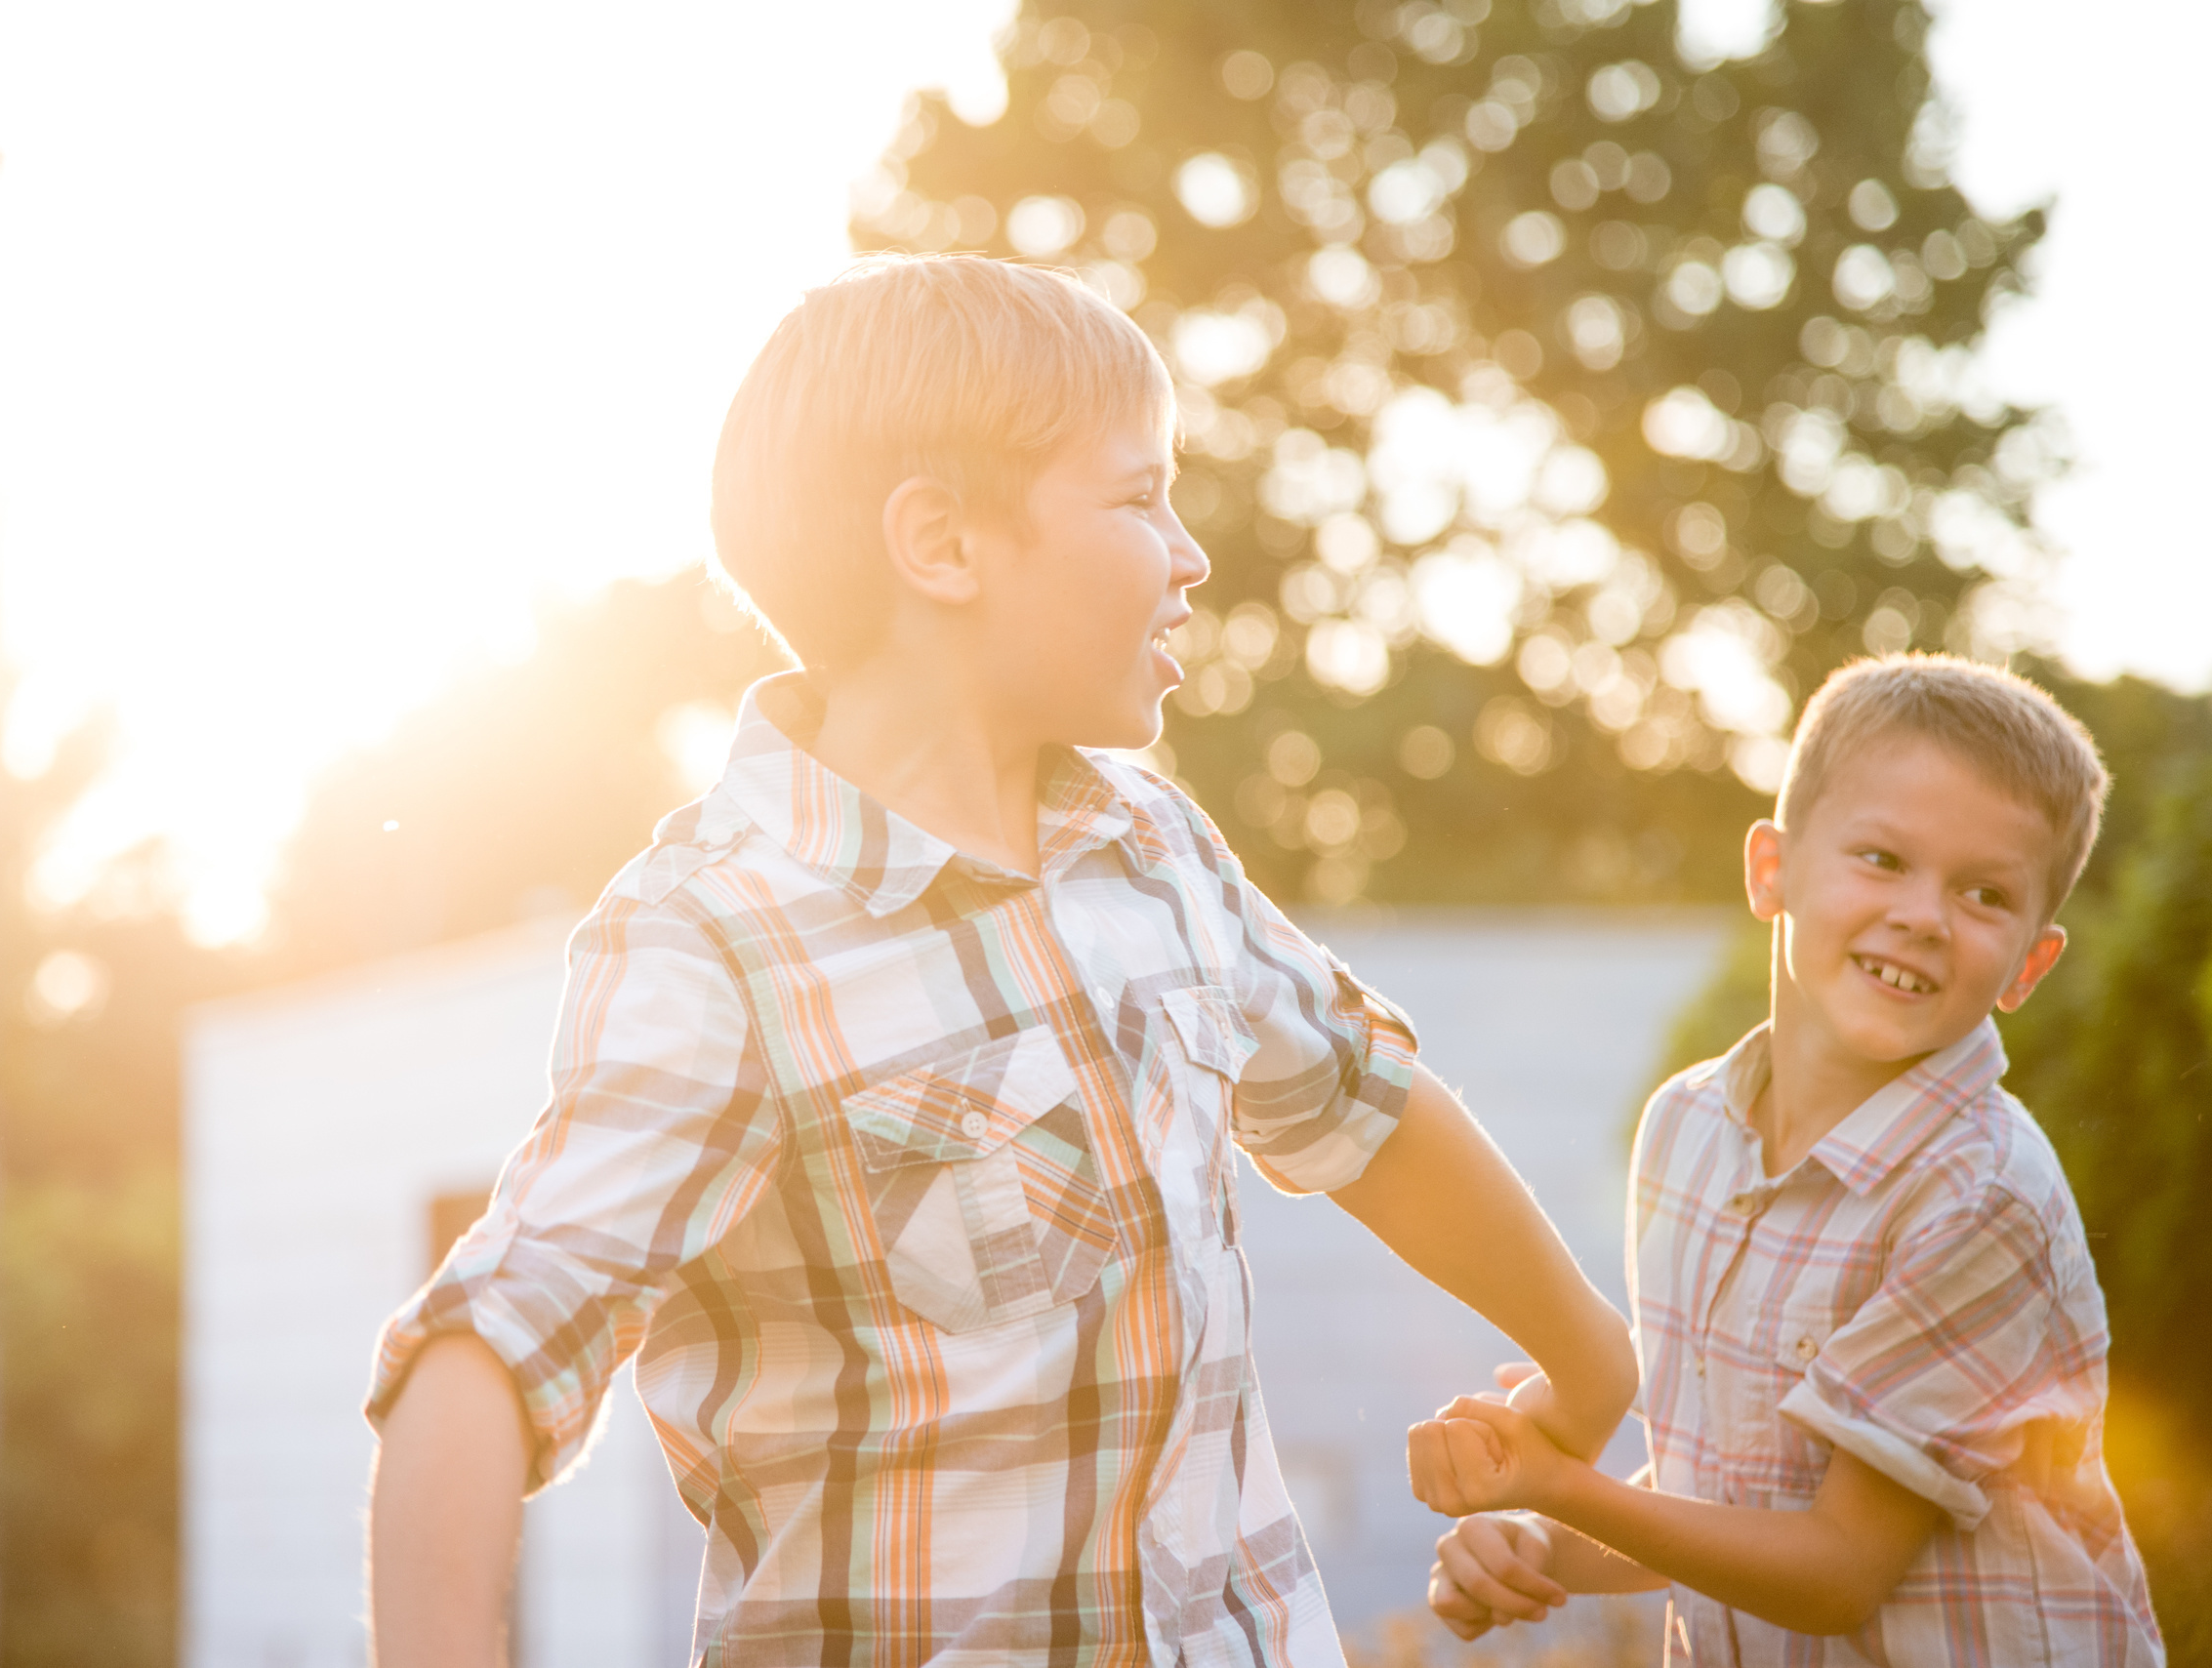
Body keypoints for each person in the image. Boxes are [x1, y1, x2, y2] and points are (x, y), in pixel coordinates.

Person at [362, 255, 1638, 1666]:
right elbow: (490, 1348)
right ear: (944, 545)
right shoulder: (719, 938)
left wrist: (1591, 1364)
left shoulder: (1153, 846)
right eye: (1140, 498)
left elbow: (1359, 1105)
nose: (1190, 555)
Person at [1413, 654, 2163, 1665]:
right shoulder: (1684, 1131)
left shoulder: (1981, 1195)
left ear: (2029, 963)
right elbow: (1727, 1482)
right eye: (1883, 858)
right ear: (1771, 870)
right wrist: (1543, 1542)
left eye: (1984, 892)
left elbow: (1836, 1568)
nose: (1923, 915)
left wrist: (1554, 1484)